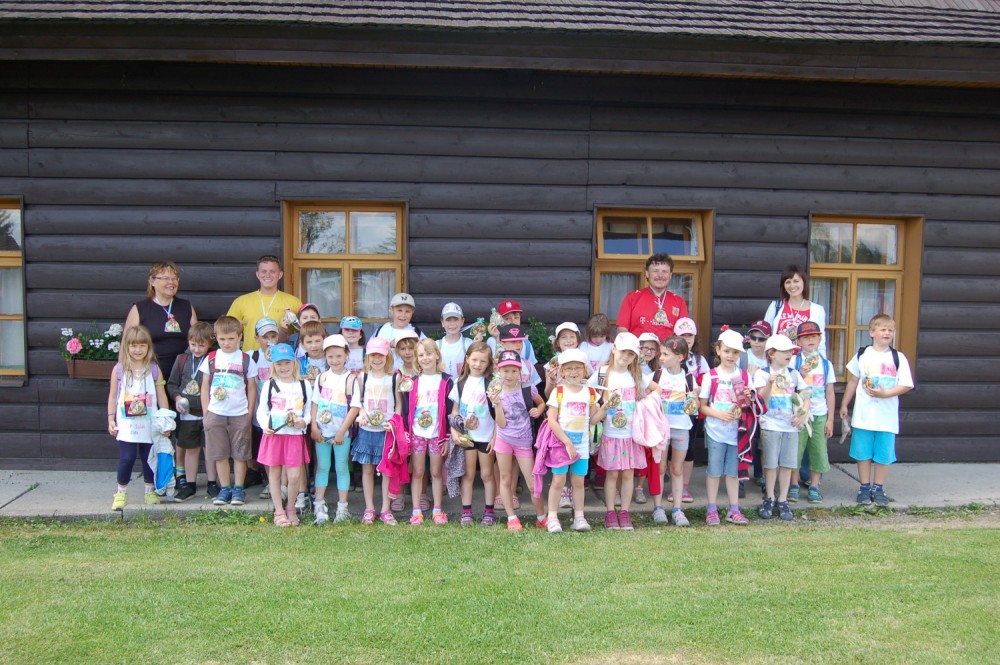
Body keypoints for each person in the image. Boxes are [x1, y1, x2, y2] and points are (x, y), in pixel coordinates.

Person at [839, 313, 914, 507]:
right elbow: (853, 380)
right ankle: (864, 486)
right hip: (863, 415)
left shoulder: (898, 357)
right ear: (872, 332)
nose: (887, 333)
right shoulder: (862, 355)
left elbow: (906, 384)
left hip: (886, 417)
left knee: (883, 454)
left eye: (890, 330)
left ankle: (878, 487)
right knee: (862, 452)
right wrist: (844, 404)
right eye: (883, 329)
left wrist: (885, 394)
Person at [107, 325, 170, 511]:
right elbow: (113, 396)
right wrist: (111, 419)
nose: (138, 350)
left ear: (148, 347)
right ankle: (121, 492)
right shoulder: (119, 370)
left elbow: (161, 396)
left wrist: (165, 421)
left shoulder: (154, 369)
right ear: (126, 347)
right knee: (127, 458)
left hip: (149, 423)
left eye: (142, 345)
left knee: (149, 457)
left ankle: (150, 490)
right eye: (133, 345)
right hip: (126, 424)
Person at [199, 316, 258, 507]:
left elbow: (251, 387)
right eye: (222, 339)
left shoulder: (245, 359)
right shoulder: (211, 358)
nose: (227, 343)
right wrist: (206, 413)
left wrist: (249, 413)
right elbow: (205, 386)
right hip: (215, 412)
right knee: (220, 453)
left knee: (240, 453)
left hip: (239, 413)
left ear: (240, 337)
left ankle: (238, 489)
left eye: (231, 338)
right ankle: (225, 488)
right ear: (216, 338)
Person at [545, 348, 604, 533]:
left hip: (582, 446)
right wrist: (567, 443)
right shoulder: (558, 391)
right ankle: (552, 517)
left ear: (585, 370)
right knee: (558, 481)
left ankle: (579, 517)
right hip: (561, 445)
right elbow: (551, 420)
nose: (574, 372)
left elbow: (593, 420)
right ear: (562, 371)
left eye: (578, 368)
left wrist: (605, 408)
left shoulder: (591, 393)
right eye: (569, 368)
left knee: (578, 482)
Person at [699, 328, 754, 526]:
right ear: (718, 350)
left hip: (737, 433)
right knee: (714, 471)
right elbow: (702, 406)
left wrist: (748, 397)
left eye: (735, 352)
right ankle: (711, 509)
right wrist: (719, 414)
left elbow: (751, 404)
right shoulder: (711, 376)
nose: (731, 356)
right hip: (716, 431)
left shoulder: (745, 376)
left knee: (733, 473)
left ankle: (734, 509)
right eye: (727, 351)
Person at [591, 332, 645, 531]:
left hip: (631, 435)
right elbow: (589, 395)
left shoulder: (636, 375)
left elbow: (651, 393)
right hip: (611, 434)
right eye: (623, 351)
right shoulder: (602, 373)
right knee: (612, 475)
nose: (626, 356)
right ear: (614, 349)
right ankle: (610, 512)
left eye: (631, 354)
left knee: (628, 474)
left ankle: (624, 511)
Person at [754, 334, 810, 522]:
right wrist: (770, 383)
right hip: (770, 425)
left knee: (787, 464)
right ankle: (769, 497)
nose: (789, 354)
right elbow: (762, 400)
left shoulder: (793, 374)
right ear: (771, 353)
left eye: (791, 351)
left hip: (790, 426)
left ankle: (783, 499)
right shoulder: (762, 374)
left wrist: (802, 414)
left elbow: (806, 395)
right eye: (784, 351)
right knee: (770, 464)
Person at [256, 343, 312, 526]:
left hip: (294, 435)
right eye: (279, 363)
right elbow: (261, 411)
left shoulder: (304, 385)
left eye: (287, 362)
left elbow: (309, 411)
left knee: (294, 475)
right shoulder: (269, 385)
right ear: (273, 365)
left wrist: (304, 421)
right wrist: (265, 425)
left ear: (294, 362)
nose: (283, 367)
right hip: (275, 435)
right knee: (275, 473)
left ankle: (291, 507)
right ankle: (279, 511)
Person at [491, 349, 547, 530]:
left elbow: (541, 402)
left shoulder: (528, 389)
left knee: (532, 483)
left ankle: (541, 516)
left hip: (524, 442)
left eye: (513, 370)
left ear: (520, 371)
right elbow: (501, 423)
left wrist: (538, 410)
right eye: (505, 370)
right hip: (504, 440)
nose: (509, 375)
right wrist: (497, 404)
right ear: (498, 370)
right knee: (505, 479)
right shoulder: (496, 392)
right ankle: (511, 517)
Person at [403, 339, 455, 526]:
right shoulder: (412, 382)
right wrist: (406, 433)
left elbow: (450, 410)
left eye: (429, 354)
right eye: (421, 355)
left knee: (436, 471)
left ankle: (437, 510)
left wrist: (447, 437)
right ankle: (416, 510)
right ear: (417, 358)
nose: (425, 358)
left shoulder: (446, 381)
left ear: (437, 355)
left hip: (437, 435)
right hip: (417, 433)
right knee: (417, 471)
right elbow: (406, 410)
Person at [646, 336, 697, 527]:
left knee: (677, 468)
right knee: (660, 468)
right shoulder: (656, 376)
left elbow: (694, 406)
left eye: (666, 354)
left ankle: (677, 508)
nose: (661, 358)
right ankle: (658, 507)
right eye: (661, 353)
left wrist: (694, 398)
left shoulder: (689, 378)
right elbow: (645, 392)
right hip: (661, 429)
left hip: (681, 428)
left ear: (680, 357)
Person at [310, 334, 359, 525]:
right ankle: (319, 504)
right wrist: (314, 426)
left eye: (339, 356)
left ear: (346, 355)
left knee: (341, 467)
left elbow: (354, 407)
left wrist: (341, 431)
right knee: (323, 466)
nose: (335, 360)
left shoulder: (351, 379)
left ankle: (342, 506)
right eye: (330, 356)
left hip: (341, 433)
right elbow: (315, 403)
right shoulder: (322, 378)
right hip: (322, 432)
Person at [350, 337, 398, 524]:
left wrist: (394, 422)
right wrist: (361, 414)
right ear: (367, 357)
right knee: (367, 469)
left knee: (387, 470)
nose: (377, 359)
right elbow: (358, 402)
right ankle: (369, 508)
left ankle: (386, 509)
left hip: (386, 431)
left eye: (381, 355)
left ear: (388, 357)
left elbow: (399, 404)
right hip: (367, 430)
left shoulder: (394, 378)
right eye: (373, 355)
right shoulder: (362, 377)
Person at [449, 342, 498, 526]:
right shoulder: (459, 383)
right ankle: (467, 512)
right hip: (467, 437)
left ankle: (489, 511)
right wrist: (454, 432)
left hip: (486, 436)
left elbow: (499, 412)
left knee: (487, 474)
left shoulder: (492, 384)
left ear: (488, 363)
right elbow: (454, 411)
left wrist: (495, 437)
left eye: (483, 361)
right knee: (468, 474)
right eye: (474, 360)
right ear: (467, 359)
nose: (478, 364)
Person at [165, 321, 215, 501]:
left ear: (210, 343)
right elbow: (172, 384)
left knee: (210, 449)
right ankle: (190, 485)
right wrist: (177, 397)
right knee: (191, 449)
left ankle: (212, 484)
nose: (197, 349)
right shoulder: (182, 359)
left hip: (209, 412)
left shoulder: (214, 360)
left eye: (201, 345)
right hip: (188, 413)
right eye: (193, 344)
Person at [124, 261, 198, 378]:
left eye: (174, 278)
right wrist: (123, 374)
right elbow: (126, 344)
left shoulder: (187, 306)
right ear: (152, 281)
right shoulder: (140, 308)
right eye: (165, 278)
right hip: (150, 372)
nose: (171, 282)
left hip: (183, 372)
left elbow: (198, 338)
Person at [793, 321, 836, 503]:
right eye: (805, 337)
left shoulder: (826, 364)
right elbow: (789, 387)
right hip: (799, 413)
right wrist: (800, 374)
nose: (810, 340)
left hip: (819, 413)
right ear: (799, 342)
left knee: (818, 450)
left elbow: (829, 391)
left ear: (820, 339)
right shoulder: (794, 361)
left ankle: (814, 485)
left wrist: (830, 419)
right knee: (796, 450)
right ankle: (793, 484)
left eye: (813, 336)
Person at [668, 316, 709, 505]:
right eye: (682, 335)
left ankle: (684, 486)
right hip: (670, 411)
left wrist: (698, 390)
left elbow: (706, 382)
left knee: (688, 449)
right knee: (670, 450)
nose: (687, 339)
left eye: (690, 335)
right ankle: (671, 486)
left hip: (690, 412)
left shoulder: (699, 360)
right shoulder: (668, 358)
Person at [226, 255, 302, 352]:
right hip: (251, 358)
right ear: (257, 274)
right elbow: (228, 331)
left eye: (272, 271)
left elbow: (305, 331)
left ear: (280, 274)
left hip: (281, 358)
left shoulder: (293, 302)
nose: (268, 275)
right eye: (263, 271)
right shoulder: (241, 301)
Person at [615, 254, 690, 341]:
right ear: (647, 274)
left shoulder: (679, 302)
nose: (660, 275)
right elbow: (622, 330)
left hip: (669, 349)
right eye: (655, 271)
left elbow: (684, 333)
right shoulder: (632, 298)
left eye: (664, 271)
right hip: (639, 349)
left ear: (670, 275)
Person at [763, 265, 827, 355]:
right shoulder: (775, 306)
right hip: (779, 360)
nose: (792, 285)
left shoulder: (817, 310)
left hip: (805, 361)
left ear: (804, 282)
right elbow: (765, 336)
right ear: (784, 286)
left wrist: (823, 362)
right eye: (788, 282)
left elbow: (821, 343)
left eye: (796, 281)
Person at [374, 292, 425, 370]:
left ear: (412, 312)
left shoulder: (416, 332)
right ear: (391, 310)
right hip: (384, 374)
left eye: (407, 311)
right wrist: (388, 344)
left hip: (409, 375)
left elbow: (426, 351)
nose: (403, 315)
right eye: (399, 310)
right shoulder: (381, 330)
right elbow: (371, 350)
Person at [487, 299, 538, 367]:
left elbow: (531, 367)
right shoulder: (493, 341)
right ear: (499, 321)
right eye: (507, 319)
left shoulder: (526, 343)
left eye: (516, 317)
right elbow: (494, 364)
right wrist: (497, 338)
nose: (513, 321)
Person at [437, 302, 474, 378]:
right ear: (442, 322)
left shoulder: (469, 344)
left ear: (462, 321)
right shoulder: (436, 345)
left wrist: (476, 345)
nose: (452, 324)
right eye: (448, 320)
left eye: (456, 319)